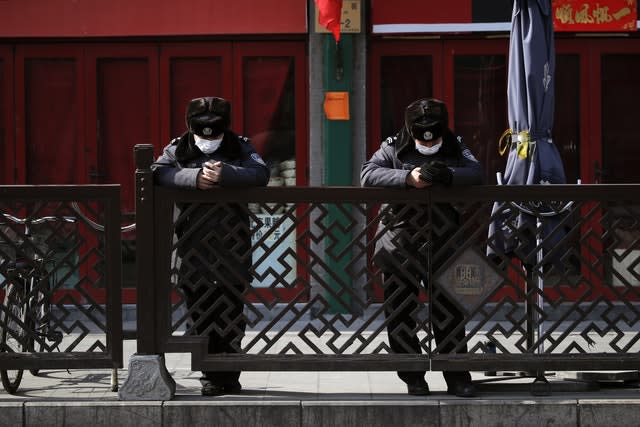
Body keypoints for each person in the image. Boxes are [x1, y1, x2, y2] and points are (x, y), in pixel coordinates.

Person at [360, 97, 483, 398]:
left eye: (436, 137)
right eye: (422, 137)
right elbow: (368, 174)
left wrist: (449, 175)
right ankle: (413, 376)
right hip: (400, 239)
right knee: (400, 312)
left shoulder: (455, 143)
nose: (429, 142)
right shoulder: (393, 145)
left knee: (450, 311)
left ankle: (456, 377)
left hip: (444, 240)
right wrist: (407, 178)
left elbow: (476, 171)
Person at [153, 96, 270, 396]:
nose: (208, 138)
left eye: (215, 131)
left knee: (231, 313)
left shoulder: (239, 146)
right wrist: (192, 178)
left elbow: (261, 173)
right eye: (202, 130)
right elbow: (157, 172)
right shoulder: (178, 147)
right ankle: (210, 375)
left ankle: (229, 375)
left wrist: (227, 175)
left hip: (231, 245)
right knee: (200, 312)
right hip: (192, 246)